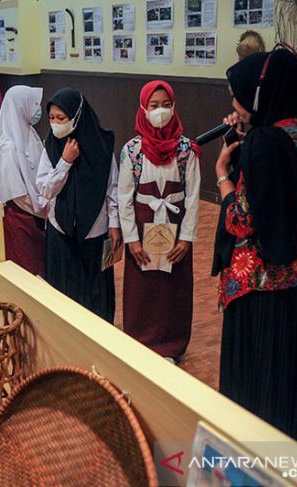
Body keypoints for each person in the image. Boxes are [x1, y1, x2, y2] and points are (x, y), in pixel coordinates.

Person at [213, 46, 297, 441]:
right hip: (294, 260)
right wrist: (247, 133)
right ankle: (285, 428)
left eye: (236, 96)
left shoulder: (263, 143)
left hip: (257, 273)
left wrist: (224, 173)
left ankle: (250, 438)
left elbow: (240, 219)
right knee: (285, 356)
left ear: (259, 93)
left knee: (256, 362)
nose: (234, 104)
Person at [118, 81, 202, 363]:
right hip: (143, 230)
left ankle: (171, 344)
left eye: (166, 105)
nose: (160, 111)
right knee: (143, 288)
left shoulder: (186, 150)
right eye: (154, 106)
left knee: (172, 289)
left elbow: (192, 196)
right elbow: (124, 197)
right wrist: (131, 239)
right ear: (143, 108)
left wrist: (186, 238)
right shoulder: (132, 151)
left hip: (174, 229)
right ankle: (140, 341)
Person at [36, 88, 121, 322]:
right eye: (51, 118)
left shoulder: (102, 146)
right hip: (60, 230)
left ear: (77, 115)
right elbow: (44, 188)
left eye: (61, 118)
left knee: (95, 295)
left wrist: (114, 224)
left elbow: (112, 189)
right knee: (64, 292)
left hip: (95, 229)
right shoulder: (52, 145)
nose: (55, 124)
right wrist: (64, 162)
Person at [0, 85, 47, 276]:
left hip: (35, 213)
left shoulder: (28, 132)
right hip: (21, 216)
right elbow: (17, 194)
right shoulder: (8, 147)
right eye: (34, 104)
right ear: (21, 106)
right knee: (26, 270)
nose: (37, 110)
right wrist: (44, 209)